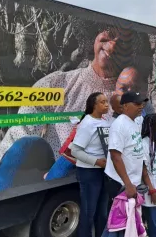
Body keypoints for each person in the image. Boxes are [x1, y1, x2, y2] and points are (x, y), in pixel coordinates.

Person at [0, 29, 152, 196]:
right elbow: (17, 138)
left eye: (121, 44)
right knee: (26, 146)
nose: (112, 46)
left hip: (98, 190)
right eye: (110, 34)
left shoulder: (136, 103)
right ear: (94, 33)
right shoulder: (56, 84)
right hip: (50, 187)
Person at [68, 92, 110, 237]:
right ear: (94, 105)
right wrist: (96, 161)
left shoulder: (105, 122)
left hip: (103, 172)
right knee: (88, 212)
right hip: (89, 172)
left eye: (107, 102)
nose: (106, 105)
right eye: (102, 102)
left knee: (102, 211)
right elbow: (74, 150)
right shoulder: (87, 124)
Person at [104, 91, 148, 211]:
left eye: (142, 103)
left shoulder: (133, 122)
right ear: (125, 106)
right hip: (120, 182)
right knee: (119, 222)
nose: (141, 106)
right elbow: (115, 156)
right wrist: (127, 184)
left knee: (129, 222)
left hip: (132, 181)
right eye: (137, 104)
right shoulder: (119, 125)